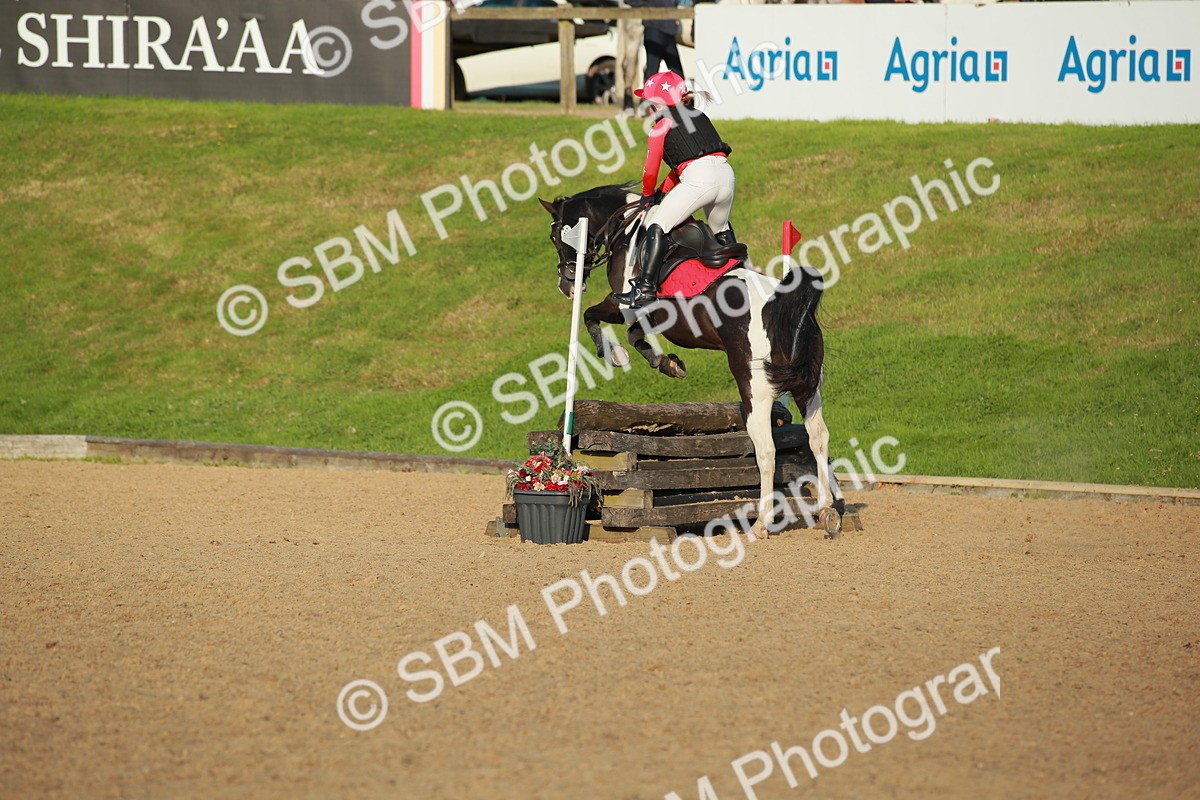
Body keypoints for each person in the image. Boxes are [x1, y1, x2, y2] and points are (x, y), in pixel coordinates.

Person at [613, 71, 737, 308]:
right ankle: (741, 268)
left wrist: (649, 195)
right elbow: (681, 165)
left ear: (659, 103)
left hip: (700, 179)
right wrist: (662, 192)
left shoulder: (661, 125)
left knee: (656, 225)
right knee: (721, 230)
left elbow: (650, 170)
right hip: (726, 176)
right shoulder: (699, 115)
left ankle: (645, 290)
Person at [626, 0, 685, 85]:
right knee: (652, 74)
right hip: (654, 30)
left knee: (678, 76)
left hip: (669, 33)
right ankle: (648, 97)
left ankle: (675, 96)